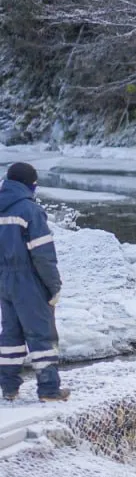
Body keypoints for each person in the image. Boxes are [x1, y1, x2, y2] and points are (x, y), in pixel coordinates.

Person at [0, 162, 66, 402]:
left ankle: (9, 388)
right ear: (29, 184)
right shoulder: (30, 210)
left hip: (4, 281)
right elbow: (43, 255)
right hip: (28, 279)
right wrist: (54, 286)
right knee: (41, 334)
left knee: (11, 335)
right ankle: (49, 390)